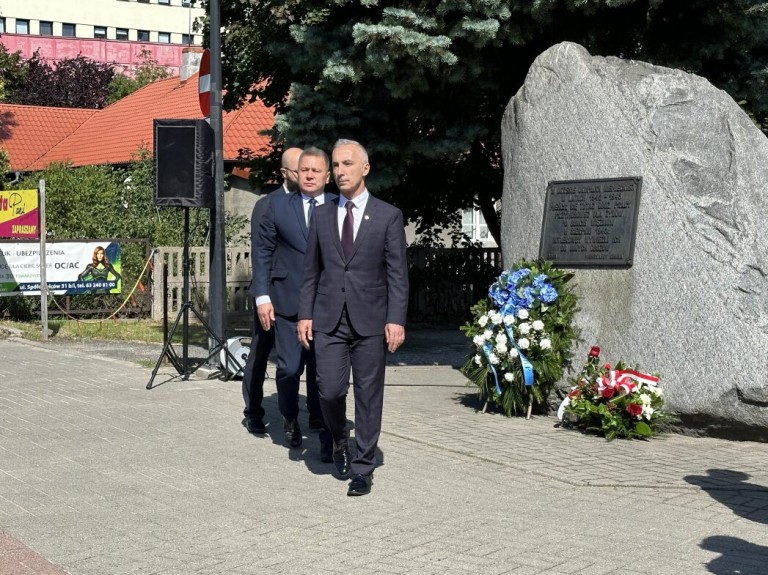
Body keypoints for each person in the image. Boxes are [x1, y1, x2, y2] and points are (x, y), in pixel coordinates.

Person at [298, 139, 408, 496]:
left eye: (347, 164)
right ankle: (337, 438)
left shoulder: (388, 216)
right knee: (328, 389)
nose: (341, 171)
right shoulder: (322, 214)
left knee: (368, 394)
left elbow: (396, 274)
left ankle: (363, 466)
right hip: (328, 318)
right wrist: (304, 314)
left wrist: (396, 319)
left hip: (372, 320)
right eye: (337, 165)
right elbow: (311, 271)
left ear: (365, 168)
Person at [255, 146, 336, 451]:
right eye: (305, 170)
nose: (310, 175)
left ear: (327, 176)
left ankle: (324, 425)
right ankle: (290, 417)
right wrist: (262, 296)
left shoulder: (339, 205)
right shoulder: (277, 206)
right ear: (295, 174)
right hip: (287, 302)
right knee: (289, 368)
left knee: (324, 372)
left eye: (316, 171)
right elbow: (262, 253)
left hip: (327, 305)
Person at [241, 147, 303, 436]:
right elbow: (260, 253)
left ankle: (312, 415)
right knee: (261, 349)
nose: (303, 175)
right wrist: (262, 294)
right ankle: (253, 410)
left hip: (303, 293)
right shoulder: (268, 204)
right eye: (296, 170)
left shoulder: (315, 203)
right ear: (284, 173)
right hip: (273, 293)